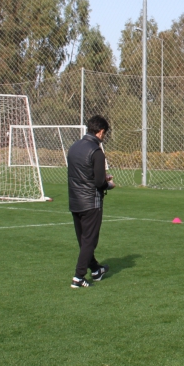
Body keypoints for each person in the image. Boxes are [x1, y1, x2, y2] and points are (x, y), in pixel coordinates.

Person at [67, 114, 115, 288]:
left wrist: (101, 177)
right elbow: (99, 182)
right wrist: (109, 184)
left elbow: (82, 174)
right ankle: (78, 277)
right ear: (101, 132)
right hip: (91, 202)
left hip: (75, 200)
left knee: (84, 240)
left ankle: (95, 270)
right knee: (89, 241)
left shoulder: (74, 147)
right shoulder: (96, 152)